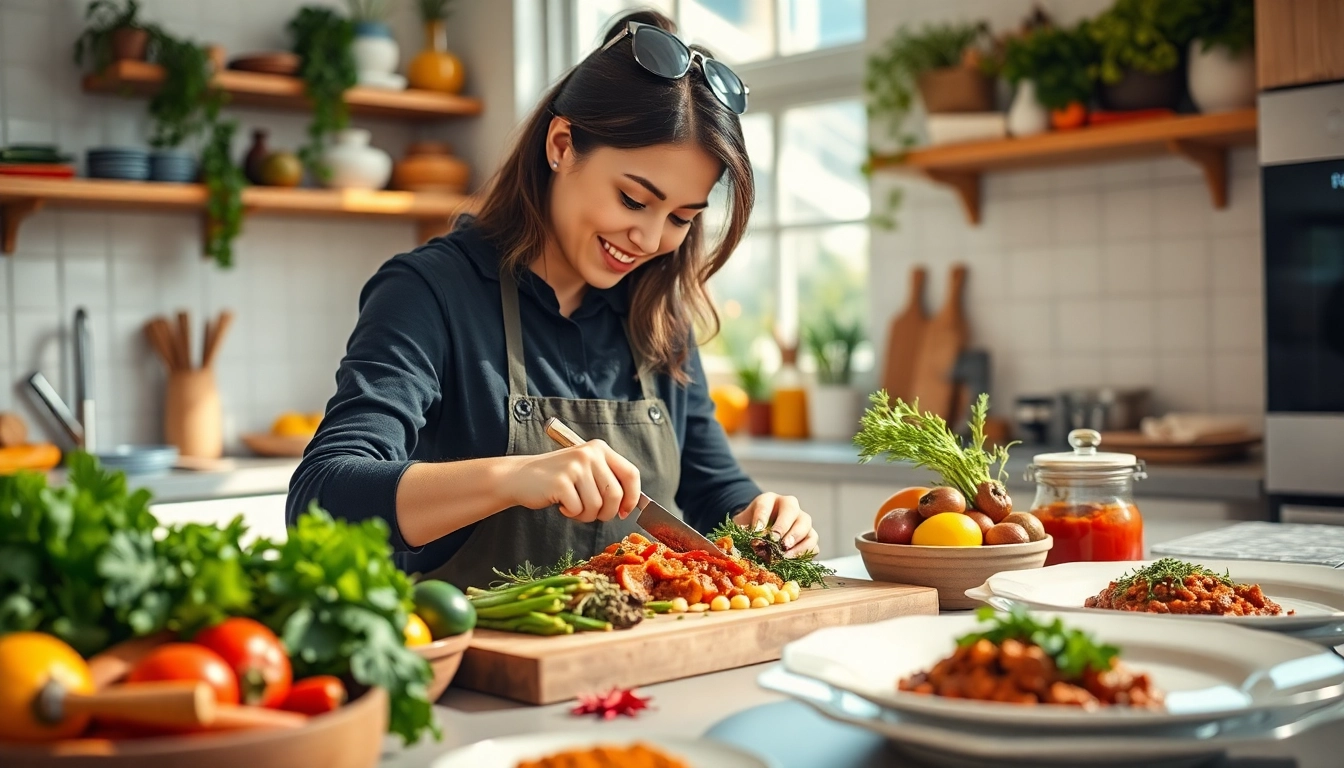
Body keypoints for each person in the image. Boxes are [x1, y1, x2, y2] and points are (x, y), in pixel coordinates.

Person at [287, 10, 819, 589]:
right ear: (562, 144)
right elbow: (322, 497)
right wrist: (513, 478)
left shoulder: (658, 317)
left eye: (681, 217)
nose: (650, 240)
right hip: (473, 667)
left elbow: (716, 492)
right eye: (633, 199)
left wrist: (763, 519)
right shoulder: (430, 291)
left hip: (638, 663)